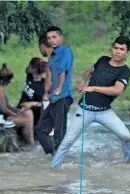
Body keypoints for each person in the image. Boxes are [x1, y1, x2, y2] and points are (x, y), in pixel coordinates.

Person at [51, 36, 130, 168]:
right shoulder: (102, 60)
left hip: (104, 112)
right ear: (112, 48)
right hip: (84, 110)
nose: (118, 51)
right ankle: (53, 169)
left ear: (127, 53)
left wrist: (93, 88)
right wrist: (82, 82)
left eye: (122, 49)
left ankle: (128, 165)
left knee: (126, 137)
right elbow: (90, 71)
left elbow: (117, 90)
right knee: (67, 142)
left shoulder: (125, 71)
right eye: (116, 48)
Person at [36, 26, 74, 156]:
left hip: (63, 96)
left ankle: (60, 159)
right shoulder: (52, 56)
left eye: (54, 37)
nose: (52, 40)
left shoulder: (66, 52)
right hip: (54, 98)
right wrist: (47, 92)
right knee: (40, 129)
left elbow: (63, 71)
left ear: (61, 38)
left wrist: (58, 88)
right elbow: (51, 75)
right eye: (49, 38)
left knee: (59, 131)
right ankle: (54, 154)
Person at [0, 64, 36, 145]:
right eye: (9, 80)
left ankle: (28, 140)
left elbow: (7, 105)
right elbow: (4, 109)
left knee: (27, 113)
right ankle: (31, 143)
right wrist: (16, 114)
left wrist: (19, 111)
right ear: (5, 80)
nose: (10, 82)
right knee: (27, 121)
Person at [18, 57, 48, 127]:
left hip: (32, 116)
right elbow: (26, 70)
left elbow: (44, 103)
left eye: (30, 65)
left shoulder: (42, 86)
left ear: (34, 69)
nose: (28, 66)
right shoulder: (30, 76)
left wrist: (31, 103)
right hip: (20, 108)